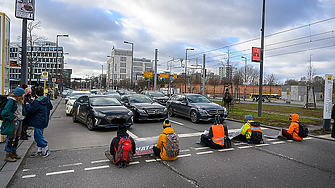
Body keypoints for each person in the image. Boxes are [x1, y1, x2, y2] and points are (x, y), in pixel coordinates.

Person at [26, 86, 53, 158]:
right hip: (44, 120)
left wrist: (28, 105)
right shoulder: (46, 100)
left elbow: (30, 111)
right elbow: (51, 107)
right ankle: (39, 150)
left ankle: (46, 148)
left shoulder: (37, 102)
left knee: (37, 136)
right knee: (39, 134)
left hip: (38, 121)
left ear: (36, 94)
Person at [1, 87, 26, 162]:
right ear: (19, 95)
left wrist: (23, 116)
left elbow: (22, 110)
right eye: (23, 94)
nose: (24, 95)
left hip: (19, 120)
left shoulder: (19, 101)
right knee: (11, 138)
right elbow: (5, 112)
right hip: (14, 122)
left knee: (17, 137)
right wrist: (13, 118)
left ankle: (13, 152)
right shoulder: (11, 101)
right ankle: (8, 154)